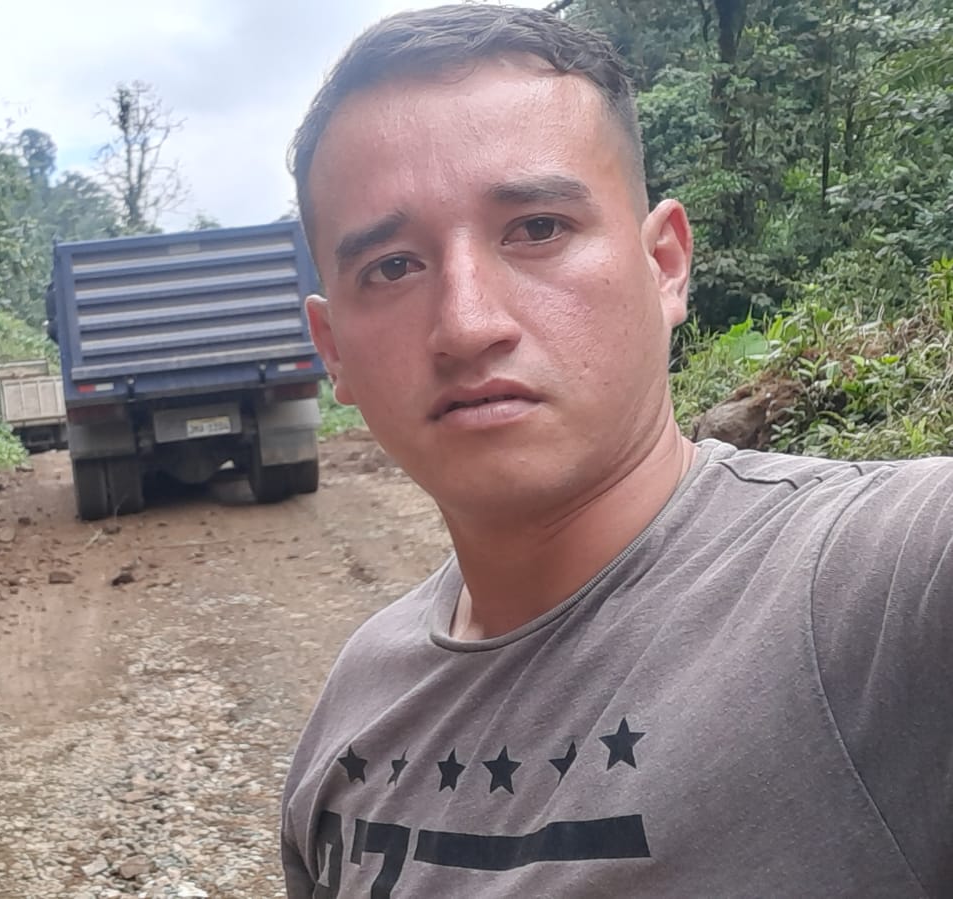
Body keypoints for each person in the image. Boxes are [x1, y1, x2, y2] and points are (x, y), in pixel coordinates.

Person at [280, 5, 953, 896]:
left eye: (537, 228)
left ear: (664, 264)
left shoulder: (874, 590)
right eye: (393, 267)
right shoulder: (352, 716)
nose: (467, 324)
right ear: (333, 351)